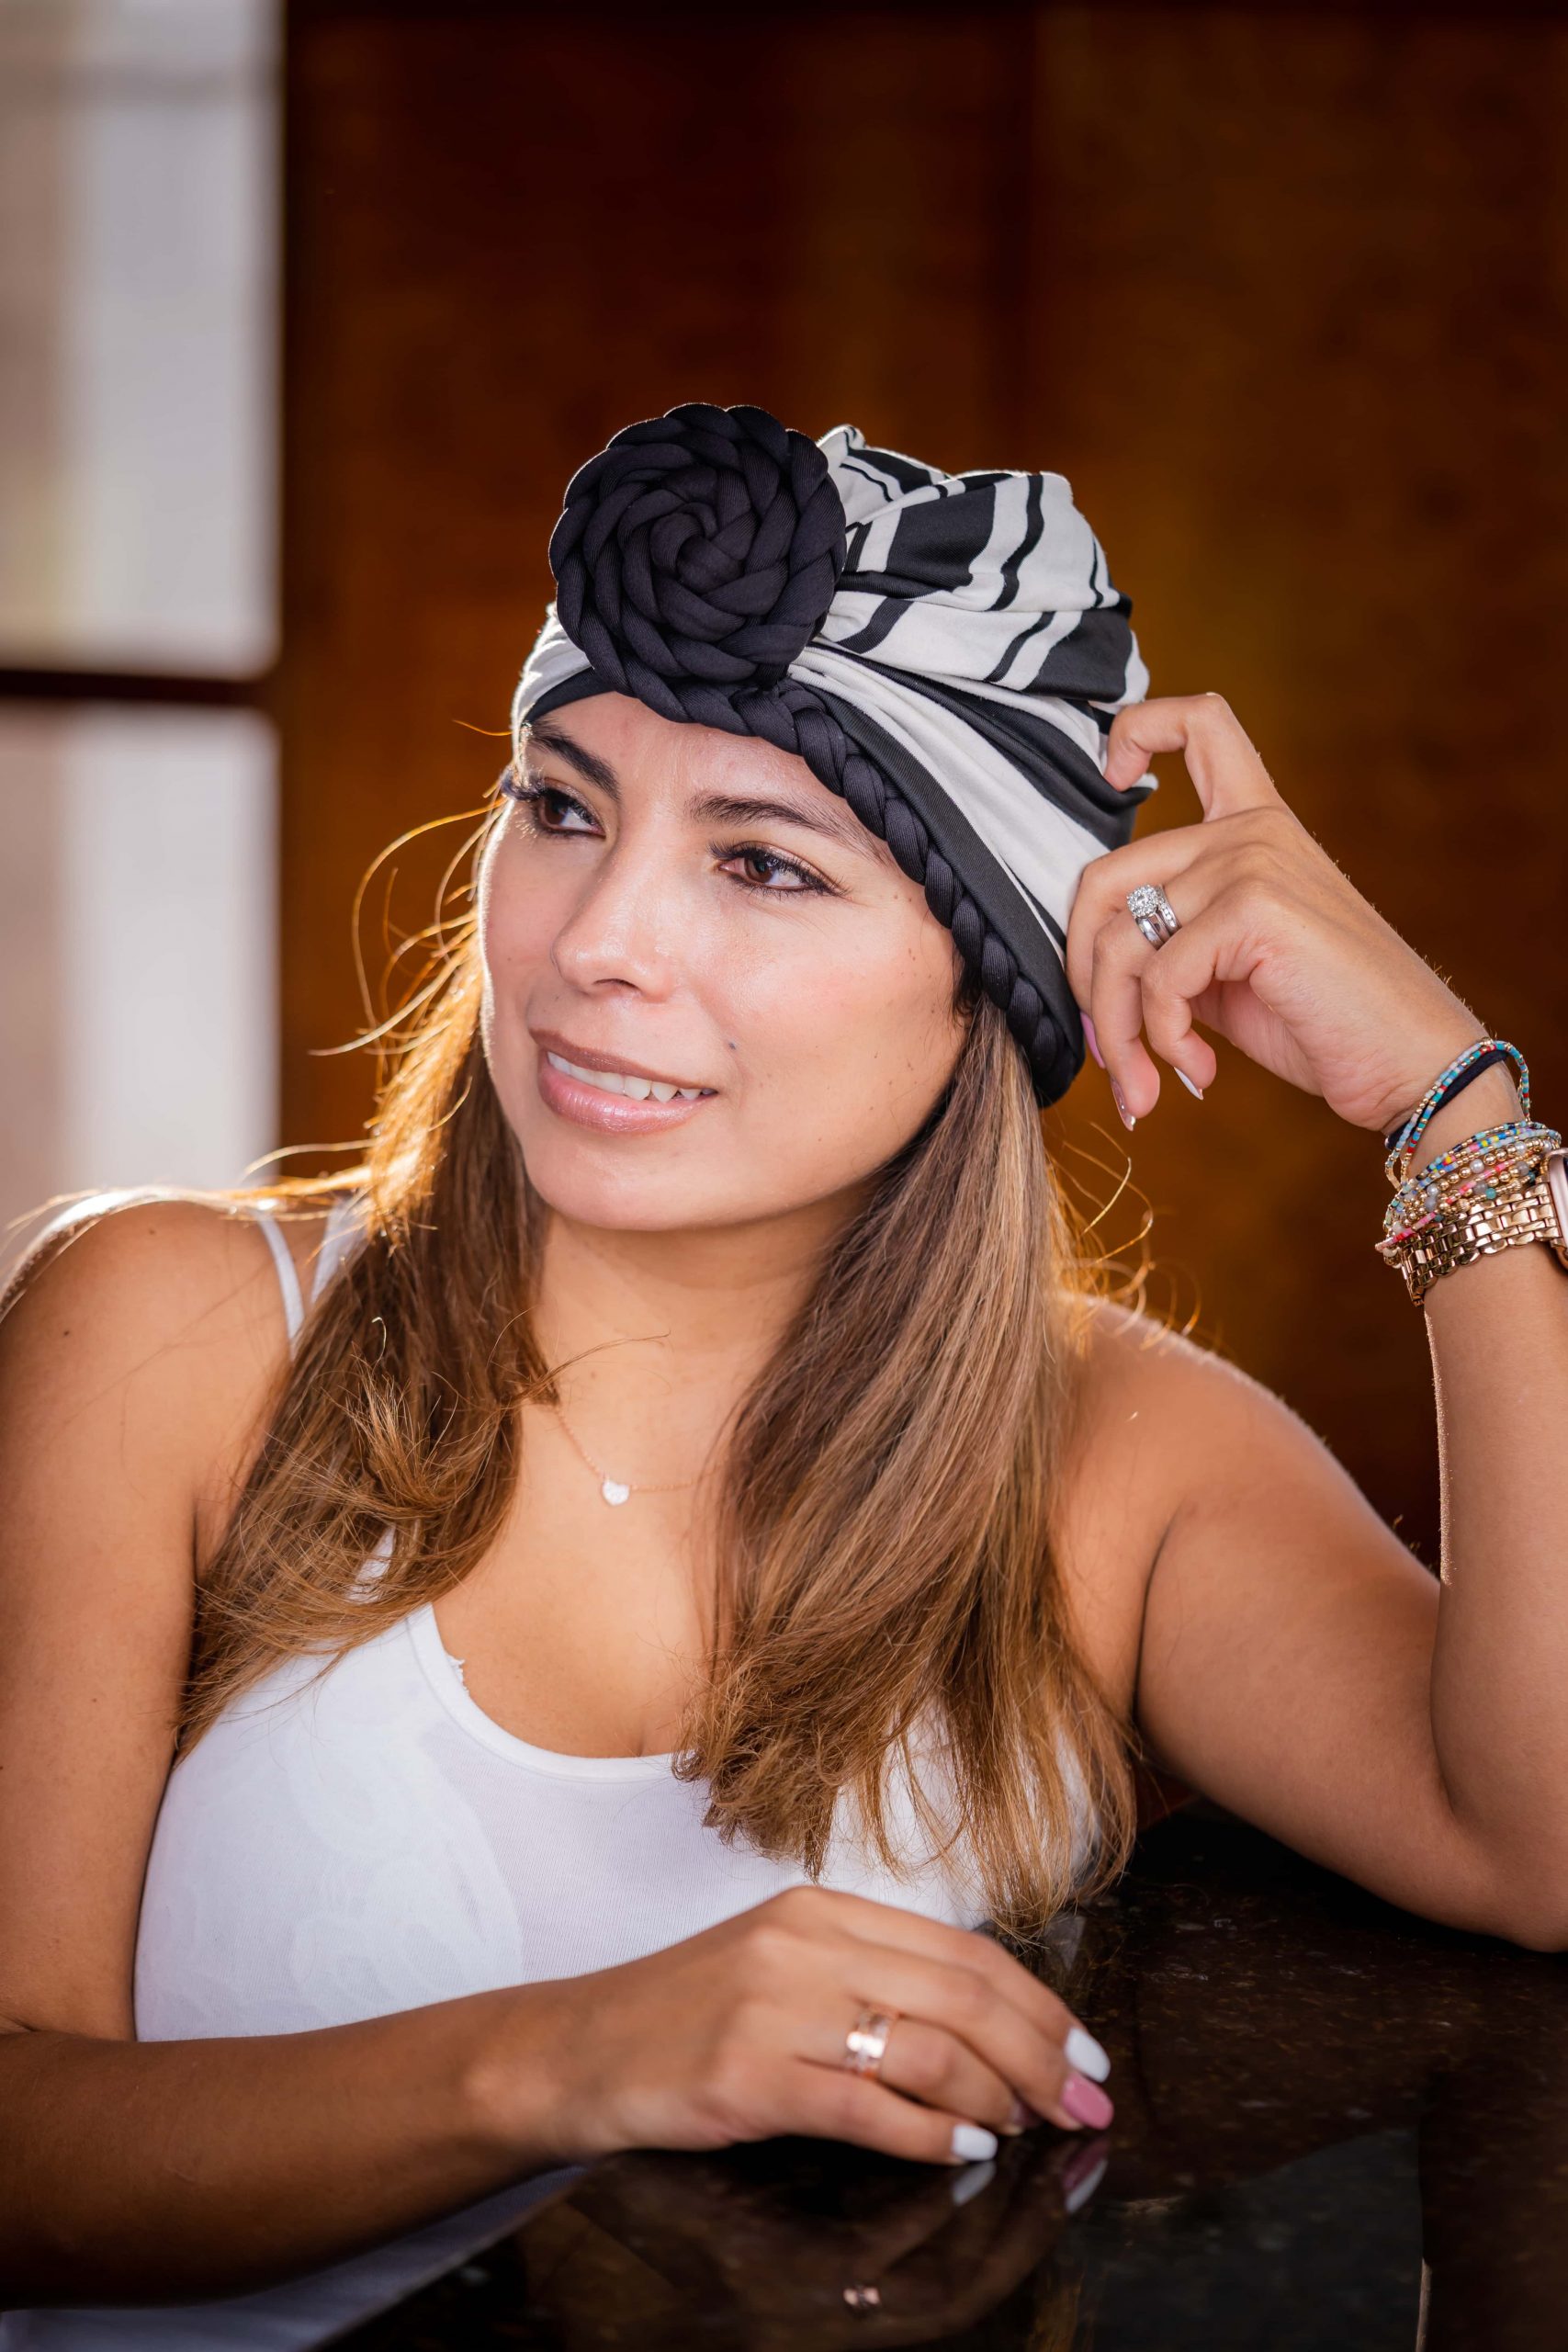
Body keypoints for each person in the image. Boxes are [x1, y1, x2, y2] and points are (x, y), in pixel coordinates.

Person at [2, 402, 1566, 2324]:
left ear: (992, 973)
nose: (599, 942)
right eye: (561, 807)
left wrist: (1445, 1105)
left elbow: (1536, 1849)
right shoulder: (169, 1330)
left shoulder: (1117, 1453)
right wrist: (573, 2054)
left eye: (762, 864)